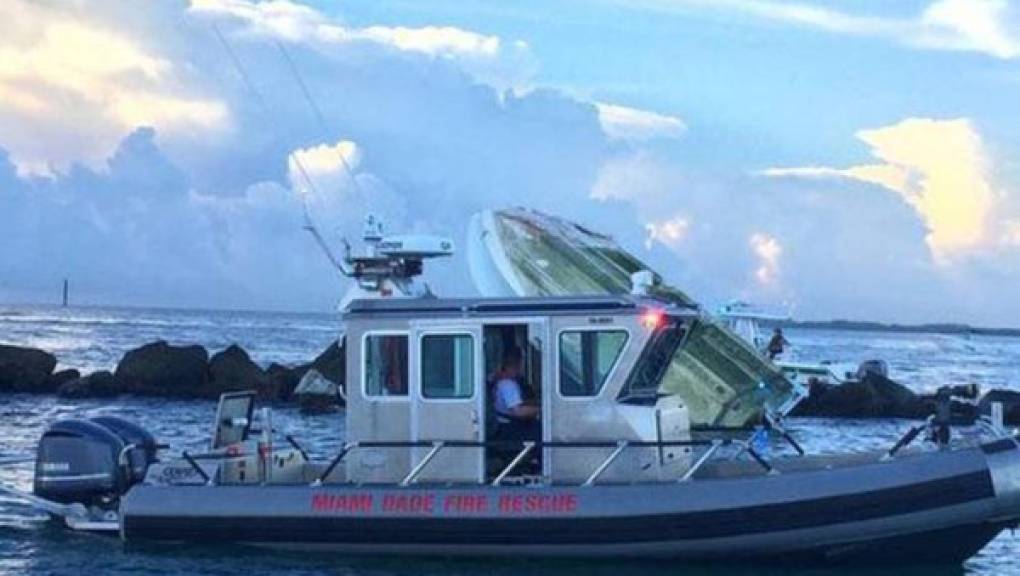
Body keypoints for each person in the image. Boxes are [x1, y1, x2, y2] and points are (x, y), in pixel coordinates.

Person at [492, 347, 540, 443]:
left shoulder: (501, 381)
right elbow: (517, 411)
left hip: (505, 427)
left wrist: (533, 403)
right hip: (509, 429)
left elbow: (518, 402)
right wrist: (541, 409)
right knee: (541, 432)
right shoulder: (507, 384)